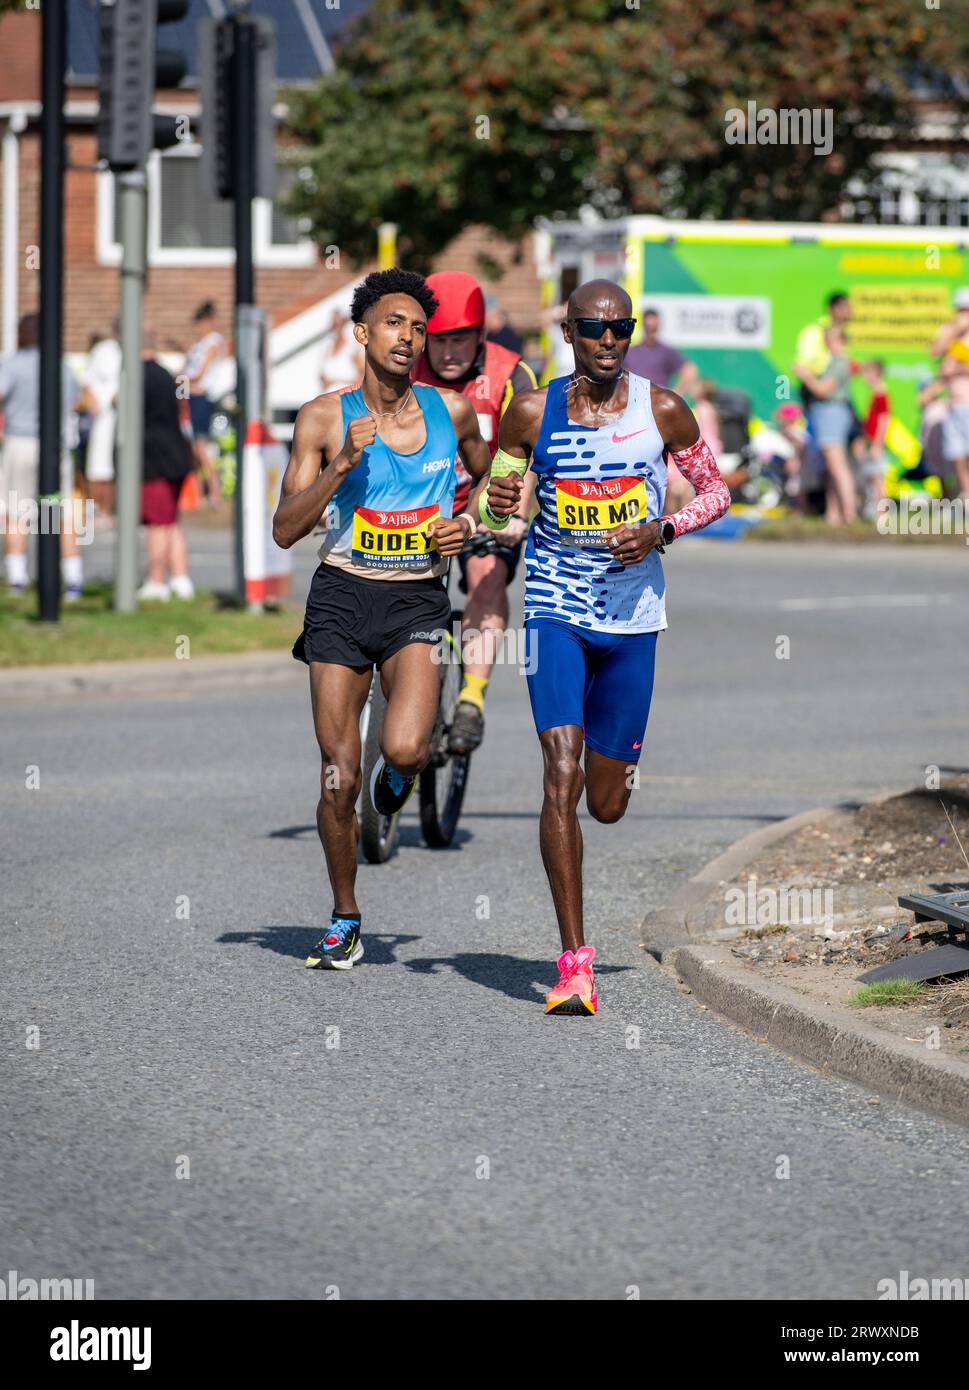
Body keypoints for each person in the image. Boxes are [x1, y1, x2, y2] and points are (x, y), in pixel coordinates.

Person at [484, 280, 730, 1017]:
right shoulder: (530, 411)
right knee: (557, 771)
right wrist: (498, 501)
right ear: (568, 333)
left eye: (619, 326)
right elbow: (495, 495)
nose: (608, 338)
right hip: (555, 609)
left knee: (607, 803)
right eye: (593, 327)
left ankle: (620, 762)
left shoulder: (662, 409)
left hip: (632, 620)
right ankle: (573, 963)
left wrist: (662, 529)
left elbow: (716, 492)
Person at [272, 268, 497, 972]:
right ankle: (345, 915)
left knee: (403, 750)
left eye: (419, 328)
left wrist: (467, 520)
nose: (409, 337)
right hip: (340, 596)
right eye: (395, 324)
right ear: (362, 333)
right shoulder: (320, 417)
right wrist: (341, 464)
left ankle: (392, 792)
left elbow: (495, 477)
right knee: (336, 775)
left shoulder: (450, 413)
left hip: (415, 602)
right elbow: (284, 528)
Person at [411, 270, 537, 752]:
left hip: (489, 504)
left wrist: (513, 518)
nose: (446, 353)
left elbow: (524, 455)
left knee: (486, 568)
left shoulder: (512, 373)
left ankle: (470, 699)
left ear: (479, 334)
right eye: (437, 341)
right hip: (419, 507)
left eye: (459, 340)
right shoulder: (405, 367)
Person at [0, 312, 84, 599]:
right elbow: (78, 400)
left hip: (20, 443)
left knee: (18, 512)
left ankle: (17, 578)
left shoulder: (11, 366)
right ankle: (72, 579)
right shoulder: (61, 366)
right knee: (59, 514)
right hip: (54, 446)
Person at [137, 327, 196, 603]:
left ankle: (157, 581)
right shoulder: (165, 374)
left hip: (155, 459)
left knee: (157, 524)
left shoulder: (139, 376)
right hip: (176, 456)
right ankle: (181, 579)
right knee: (171, 521)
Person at [794, 320, 858, 524]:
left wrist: (806, 376)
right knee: (831, 468)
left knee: (838, 466)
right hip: (828, 414)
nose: (826, 343)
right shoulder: (834, 361)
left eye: (828, 339)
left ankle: (850, 513)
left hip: (832, 413)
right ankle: (834, 513)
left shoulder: (840, 362)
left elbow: (823, 389)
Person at [184, 302, 227, 505]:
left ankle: (214, 492)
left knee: (202, 447)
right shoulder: (201, 344)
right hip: (193, 397)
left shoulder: (212, 342)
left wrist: (182, 379)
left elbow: (200, 373)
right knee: (194, 447)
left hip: (202, 398)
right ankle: (201, 492)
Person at [78, 324, 121, 522]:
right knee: (99, 465)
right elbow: (87, 380)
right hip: (103, 418)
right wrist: (94, 403)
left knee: (114, 466)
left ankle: (108, 509)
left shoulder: (126, 350)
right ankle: (99, 508)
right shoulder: (104, 351)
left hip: (121, 417)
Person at [930, 288, 969, 499]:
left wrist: (955, 370)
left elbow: (952, 369)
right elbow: (934, 351)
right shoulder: (951, 333)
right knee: (957, 455)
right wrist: (954, 332)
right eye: (960, 310)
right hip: (954, 404)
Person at [859, 359, 890, 515]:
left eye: (867, 373)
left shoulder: (881, 393)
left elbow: (884, 419)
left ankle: (882, 511)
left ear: (876, 374)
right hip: (871, 442)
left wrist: (878, 443)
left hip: (876, 443)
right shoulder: (875, 393)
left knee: (878, 478)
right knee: (873, 477)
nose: (864, 377)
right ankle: (875, 509)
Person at [318, 309, 365, 394]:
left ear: (344, 324)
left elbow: (363, 377)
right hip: (327, 397)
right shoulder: (328, 347)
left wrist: (335, 381)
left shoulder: (353, 347)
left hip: (347, 396)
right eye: (333, 325)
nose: (336, 327)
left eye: (338, 324)